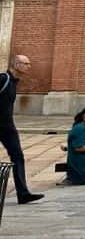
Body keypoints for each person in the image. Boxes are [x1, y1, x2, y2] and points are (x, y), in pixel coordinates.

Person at [0, 54, 43, 204]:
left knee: (18, 156)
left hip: (7, 127)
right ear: (16, 64)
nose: (28, 67)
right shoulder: (3, 79)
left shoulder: (13, 82)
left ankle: (23, 194)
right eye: (26, 64)